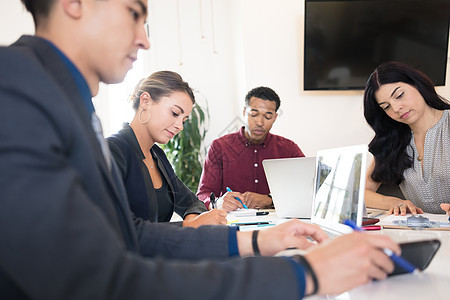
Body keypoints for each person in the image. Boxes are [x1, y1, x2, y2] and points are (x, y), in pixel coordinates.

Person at [0, 0, 400, 299]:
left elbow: (128, 235)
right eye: (134, 12)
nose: (144, 37)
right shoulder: (15, 89)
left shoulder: (63, 100)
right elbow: (96, 281)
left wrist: (258, 241)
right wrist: (305, 274)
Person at [107, 71, 227, 227]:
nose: (179, 126)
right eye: (174, 113)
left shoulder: (157, 155)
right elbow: (119, 229)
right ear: (145, 101)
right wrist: (188, 226)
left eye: (184, 120)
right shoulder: (113, 150)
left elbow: (192, 202)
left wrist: (192, 219)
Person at [197, 86, 305, 211]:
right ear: (244, 112)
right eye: (254, 114)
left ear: (275, 117)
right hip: (232, 224)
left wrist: (270, 199)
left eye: (268, 116)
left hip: (277, 224)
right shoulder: (220, 147)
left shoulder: (289, 149)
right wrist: (216, 203)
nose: (260, 122)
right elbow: (203, 194)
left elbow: (307, 188)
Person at [363, 61, 450, 215]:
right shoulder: (392, 140)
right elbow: (361, 193)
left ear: (417, 84)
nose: (396, 108)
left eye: (399, 95)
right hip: (418, 232)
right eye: (386, 107)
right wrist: (394, 201)